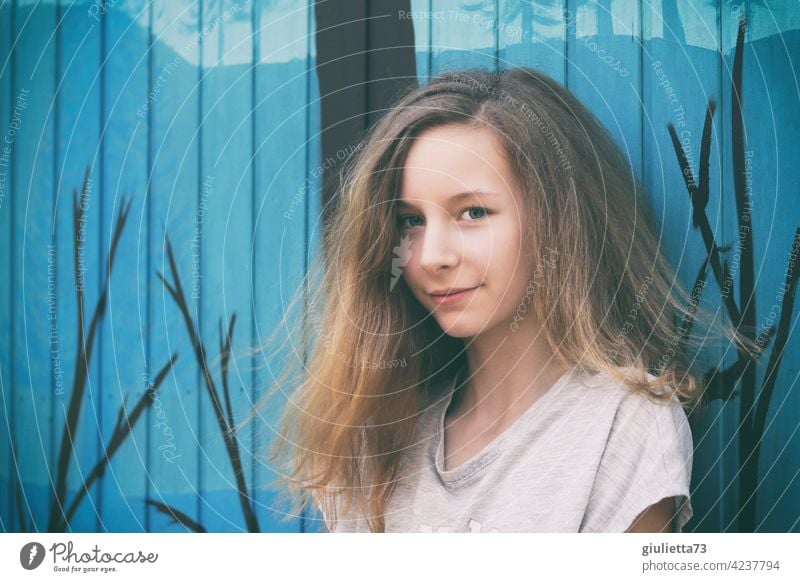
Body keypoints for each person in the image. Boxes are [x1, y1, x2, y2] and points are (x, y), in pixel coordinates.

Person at [244, 66, 760, 533]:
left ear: (555, 221)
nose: (430, 256)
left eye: (472, 212)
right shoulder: (377, 424)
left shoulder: (621, 426)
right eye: (410, 220)